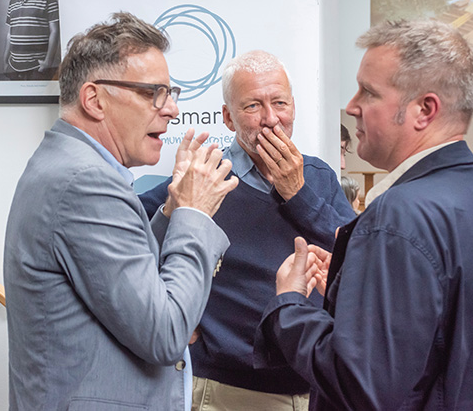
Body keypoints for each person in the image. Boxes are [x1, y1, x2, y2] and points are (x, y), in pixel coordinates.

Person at [255, 20, 473, 410]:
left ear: (424, 110)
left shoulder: (398, 217)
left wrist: (289, 305)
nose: (351, 106)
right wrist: (356, 285)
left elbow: (361, 387)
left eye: (368, 92)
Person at [4, 12, 239, 411]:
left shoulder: (70, 166)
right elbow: (165, 333)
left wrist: (172, 210)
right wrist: (194, 215)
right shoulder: (84, 182)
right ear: (95, 99)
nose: (172, 110)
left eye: (171, 93)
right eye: (155, 93)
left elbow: (124, 281)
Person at [140, 50, 355, 411]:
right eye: (253, 106)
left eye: (280, 103)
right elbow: (137, 249)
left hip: (317, 387)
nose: (271, 120)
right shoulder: (206, 176)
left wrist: (298, 195)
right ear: (228, 117)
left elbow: (358, 258)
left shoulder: (318, 177)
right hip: (229, 391)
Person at [3, 0, 60, 81]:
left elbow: (55, 31)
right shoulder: (12, 0)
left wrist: (48, 62)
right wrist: (5, 60)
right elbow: (9, 34)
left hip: (37, 67)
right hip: (14, 66)